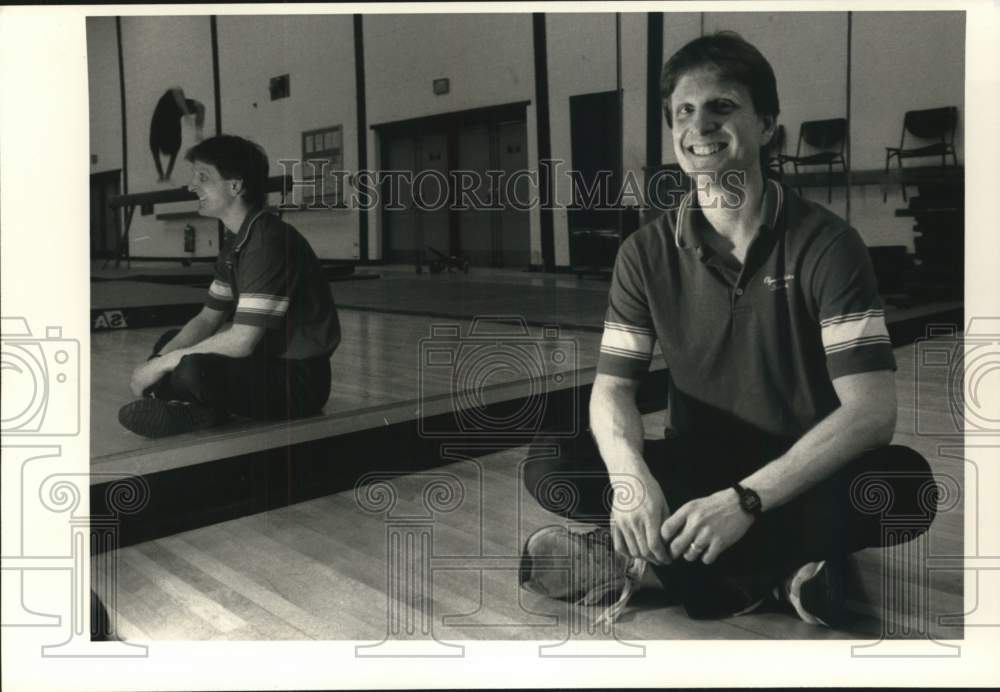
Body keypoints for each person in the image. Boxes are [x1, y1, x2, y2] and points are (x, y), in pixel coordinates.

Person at [519, 32, 937, 627]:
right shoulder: (644, 253)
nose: (699, 126)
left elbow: (871, 413)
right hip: (696, 468)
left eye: (722, 106)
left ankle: (645, 562)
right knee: (553, 456)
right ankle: (789, 572)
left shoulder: (829, 245)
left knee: (905, 486)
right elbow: (613, 389)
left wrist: (745, 501)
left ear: (766, 124)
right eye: (683, 112)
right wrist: (632, 479)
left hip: (798, 473)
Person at [119, 135, 340, 438]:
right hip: (264, 363)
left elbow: (242, 341)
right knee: (173, 341)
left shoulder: (267, 243)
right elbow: (208, 318)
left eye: (203, 177)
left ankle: (194, 407)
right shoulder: (238, 241)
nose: (192, 185)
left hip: (301, 381)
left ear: (235, 186)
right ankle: (193, 408)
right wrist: (158, 360)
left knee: (191, 369)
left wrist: (161, 367)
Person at [149, 87, 205, 182]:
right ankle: (196, 128)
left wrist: (161, 175)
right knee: (200, 107)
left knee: (176, 92)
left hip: (165, 107)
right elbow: (172, 161)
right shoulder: (176, 145)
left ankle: (187, 114)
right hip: (177, 110)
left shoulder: (154, 141)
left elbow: (157, 160)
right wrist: (166, 176)